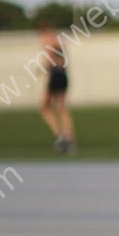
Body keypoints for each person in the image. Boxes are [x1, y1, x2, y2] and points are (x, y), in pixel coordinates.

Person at [36, 22, 76, 153]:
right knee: (62, 108)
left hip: (55, 74)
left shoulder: (47, 39)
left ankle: (60, 136)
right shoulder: (59, 40)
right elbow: (64, 60)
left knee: (44, 107)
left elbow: (49, 58)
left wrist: (42, 69)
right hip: (63, 74)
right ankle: (69, 139)